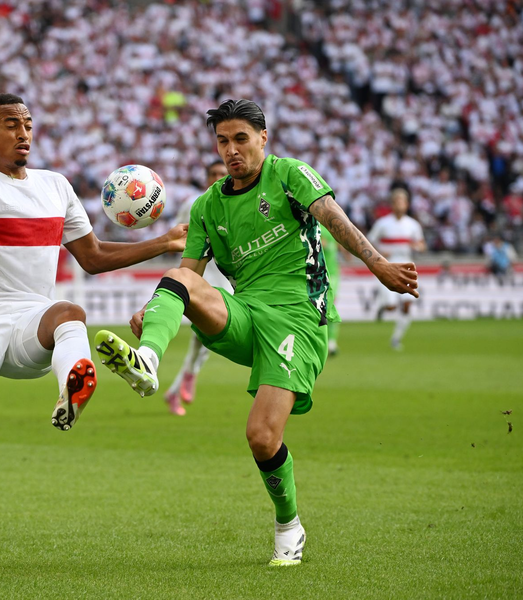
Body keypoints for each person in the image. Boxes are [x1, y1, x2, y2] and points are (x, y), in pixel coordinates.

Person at [93, 99, 418, 566]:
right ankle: (147, 360)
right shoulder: (207, 206)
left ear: (263, 138)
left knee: (262, 437)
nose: (231, 150)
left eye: (240, 139)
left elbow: (332, 218)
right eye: (222, 141)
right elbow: (189, 272)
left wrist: (378, 263)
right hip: (246, 313)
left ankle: (289, 524)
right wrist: (155, 307)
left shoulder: (289, 175)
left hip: (298, 320)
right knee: (182, 283)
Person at [0, 93, 187, 566]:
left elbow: (92, 257)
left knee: (68, 310)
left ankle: (74, 383)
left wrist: (164, 243)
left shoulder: (56, 187)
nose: (23, 133)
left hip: (30, 318)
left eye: (27, 123)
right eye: (11, 125)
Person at [164, 160, 232, 415]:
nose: (217, 178)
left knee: (210, 337)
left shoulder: (238, 204)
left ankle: (176, 389)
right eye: (213, 174)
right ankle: (187, 377)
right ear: (206, 179)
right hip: (200, 276)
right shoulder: (194, 205)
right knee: (203, 333)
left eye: (221, 174)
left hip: (225, 279)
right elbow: (178, 236)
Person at [368, 188, 426, 350]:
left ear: (407, 205)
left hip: (407, 266)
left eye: (403, 202)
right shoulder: (383, 223)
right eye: (397, 202)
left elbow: (422, 244)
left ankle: (396, 339)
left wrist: (417, 246)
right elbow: (369, 241)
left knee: (407, 305)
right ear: (392, 204)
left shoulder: (413, 225)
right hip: (387, 266)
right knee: (392, 306)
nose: (400, 205)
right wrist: (379, 251)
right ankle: (382, 307)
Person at [320, 227, 342, 356]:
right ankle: (327, 342)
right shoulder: (318, 226)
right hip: (322, 274)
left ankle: (332, 342)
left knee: (330, 307)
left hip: (333, 273)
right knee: (324, 309)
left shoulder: (330, 227)